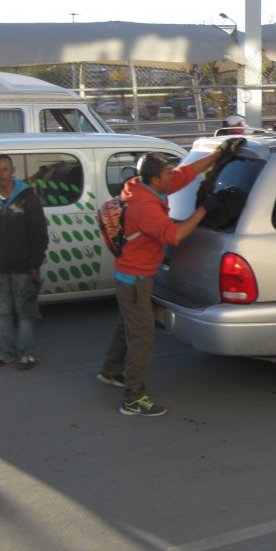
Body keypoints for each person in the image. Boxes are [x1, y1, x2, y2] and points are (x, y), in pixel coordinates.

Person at [98, 143, 242, 416]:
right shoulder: (145, 207)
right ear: (155, 179)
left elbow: (186, 173)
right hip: (135, 278)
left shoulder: (143, 187)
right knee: (142, 336)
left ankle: (111, 371)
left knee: (128, 322)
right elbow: (174, 236)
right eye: (166, 173)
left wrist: (219, 154)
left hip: (132, 276)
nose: (171, 175)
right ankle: (133, 399)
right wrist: (204, 210)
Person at [0, 154, 49, 371]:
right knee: (1, 313)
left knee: (25, 312)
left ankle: (27, 354)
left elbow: (39, 233)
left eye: (6, 169)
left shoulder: (27, 197)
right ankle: (5, 353)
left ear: (13, 171)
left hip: (24, 268)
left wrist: (35, 263)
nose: (2, 173)